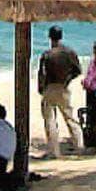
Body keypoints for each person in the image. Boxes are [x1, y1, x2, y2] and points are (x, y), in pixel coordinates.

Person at [37, 25, 83, 157]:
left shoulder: (47, 54)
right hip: (63, 87)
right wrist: (67, 80)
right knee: (70, 117)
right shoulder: (69, 52)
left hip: (50, 87)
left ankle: (53, 151)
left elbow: (42, 74)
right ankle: (79, 146)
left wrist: (41, 88)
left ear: (50, 37)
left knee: (50, 119)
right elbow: (78, 70)